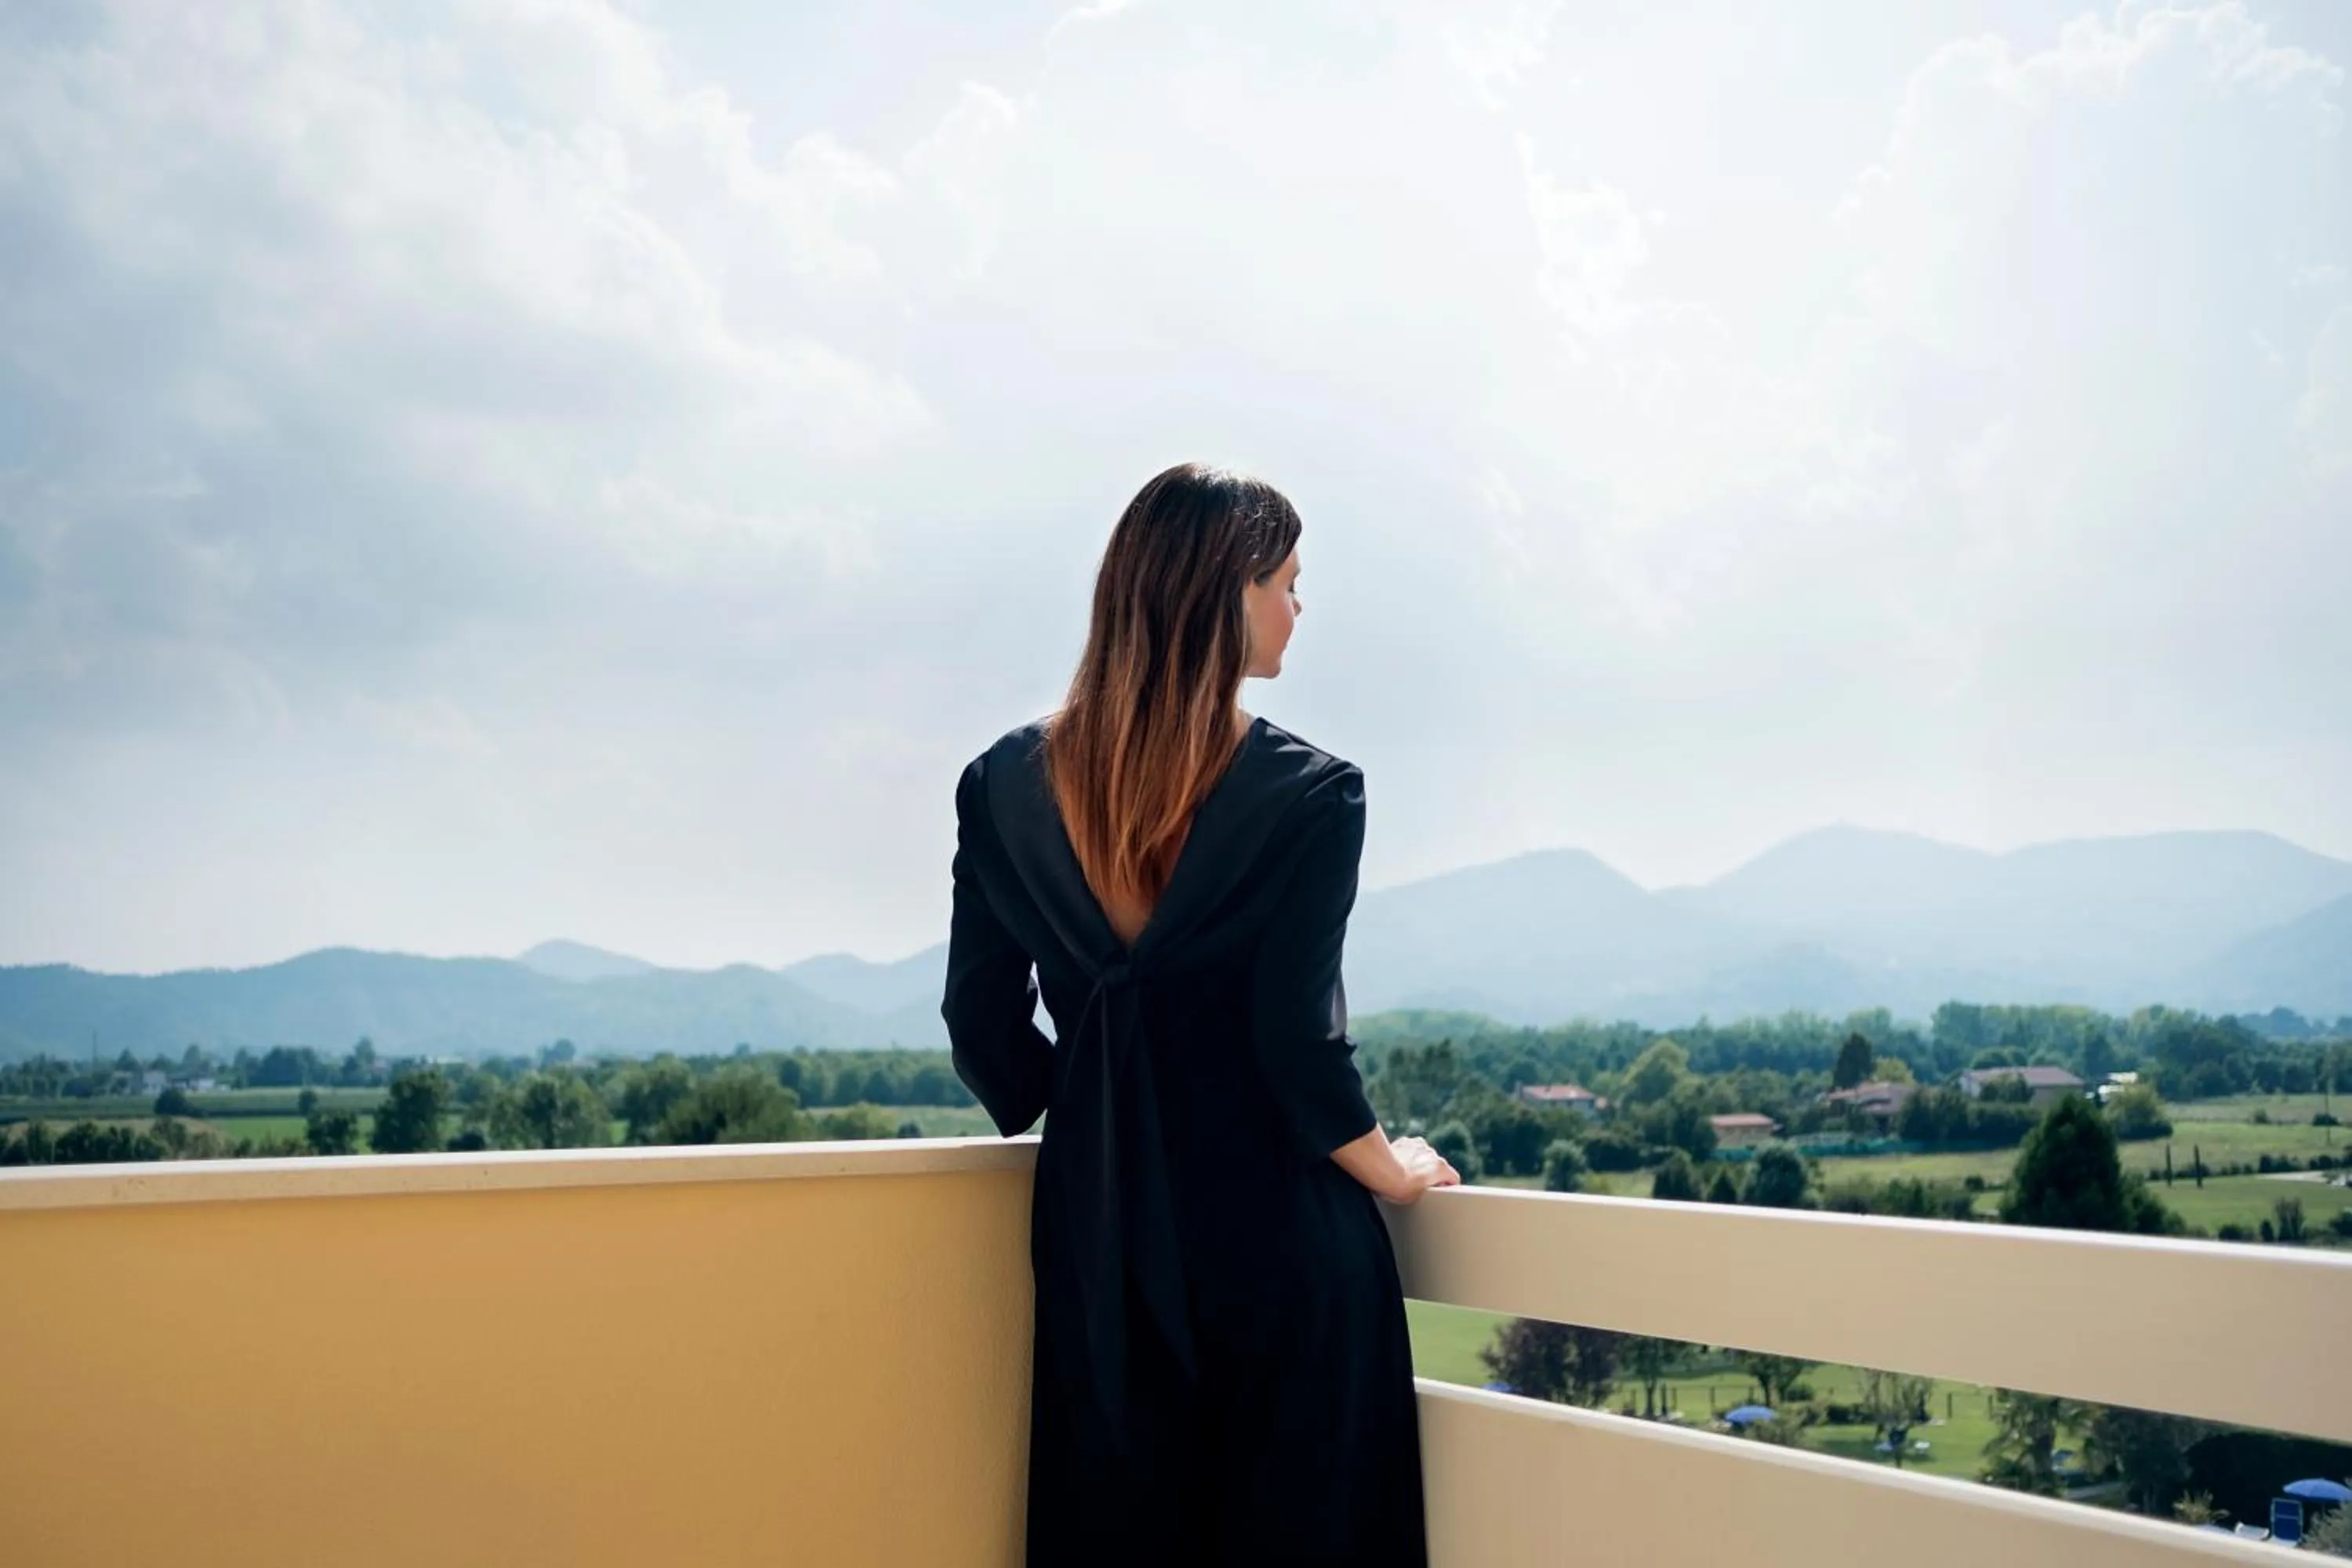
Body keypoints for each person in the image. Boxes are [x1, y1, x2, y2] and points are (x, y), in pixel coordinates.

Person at [942, 462, 1460, 1566]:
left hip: (1102, 1235)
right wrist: (1394, 1169)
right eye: (1286, 581)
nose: (1298, 607)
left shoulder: (1000, 784)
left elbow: (979, 1023)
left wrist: (1084, 1098)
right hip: (1280, 1241)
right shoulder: (1313, 792)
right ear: (1229, 593)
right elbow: (1297, 1042)